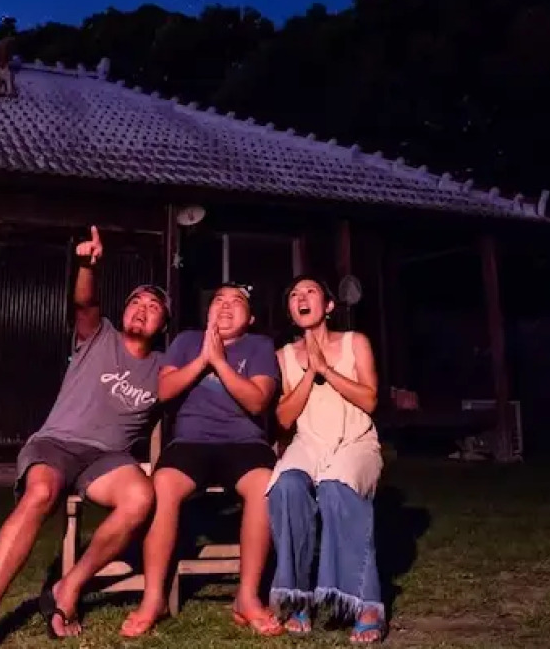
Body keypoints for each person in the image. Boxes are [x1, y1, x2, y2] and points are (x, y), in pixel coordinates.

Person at [0, 227, 168, 646]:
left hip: (108, 458)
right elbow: (83, 301)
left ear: (163, 324)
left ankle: (68, 587)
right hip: (57, 442)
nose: (141, 310)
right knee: (39, 495)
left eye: (154, 306)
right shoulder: (99, 334)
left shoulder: (165, 368)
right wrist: (88, 264)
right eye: (135, 303)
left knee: (141, 498)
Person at [120, 283, 284, 638]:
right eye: (219, 300)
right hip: (190, 441)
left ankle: (247, 596)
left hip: (244, 442)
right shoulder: (186, 341)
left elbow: (257, 402)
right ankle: (153, 598)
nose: (225, 306)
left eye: (236, 302)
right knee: (163, 485)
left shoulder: (259, 346)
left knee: (264, 487)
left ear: (250, 317)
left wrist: (220, 363)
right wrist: (202, 359)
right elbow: (165, 391)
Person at [267, 276, 386, 644]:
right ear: (290, 309)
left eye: (310, 292)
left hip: (356, 443)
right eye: (294, 294)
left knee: (336, 489)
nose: (301, 298)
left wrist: (327, 370)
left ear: (329, 306)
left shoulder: (355, 343)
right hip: (309, 443)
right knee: (286, 486)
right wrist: (310, 372)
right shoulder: (283, 356)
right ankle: (298, 597)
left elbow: (369, 401)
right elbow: (284, 419)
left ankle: (366, 604)